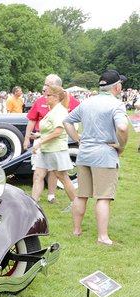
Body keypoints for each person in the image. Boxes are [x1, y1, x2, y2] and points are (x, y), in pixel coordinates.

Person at [63, 70, 129, 246]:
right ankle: (103, 237)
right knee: (104, 197)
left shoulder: (87, 102)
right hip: (104, 154)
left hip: (84, 153)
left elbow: (67, 121)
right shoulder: (116, 104)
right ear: (117, 86)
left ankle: (76, 231)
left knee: (81, 195)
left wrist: (77, 139)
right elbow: (122, 128)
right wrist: (122, 145)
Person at [24, 74, 80, 203]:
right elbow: (48, 127)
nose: (45, 96)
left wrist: (39, 143)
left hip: (55, 149)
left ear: (55, 97)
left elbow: (58, 131)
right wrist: (38, 136)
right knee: (38, 174)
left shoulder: (59, 111)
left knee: (62, 177)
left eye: (48, 94)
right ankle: (33, 204)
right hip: (45, 148)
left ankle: (76, 204)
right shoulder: (52, 109)